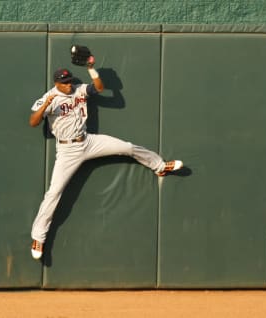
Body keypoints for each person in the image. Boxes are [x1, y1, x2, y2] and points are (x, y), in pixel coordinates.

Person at [29, 55, 183, 259]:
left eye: (70, 81)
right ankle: (38, 237)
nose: (69, 85)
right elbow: (33, 122)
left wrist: (91, 69)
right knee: (54, 192)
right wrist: (46, 105)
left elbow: (99, 88)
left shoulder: (78, 89)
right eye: (64, 83)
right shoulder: (49, 97)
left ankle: (160, 166)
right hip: (67, 151)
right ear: (57, 83)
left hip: (88, 141)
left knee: (127, 147)